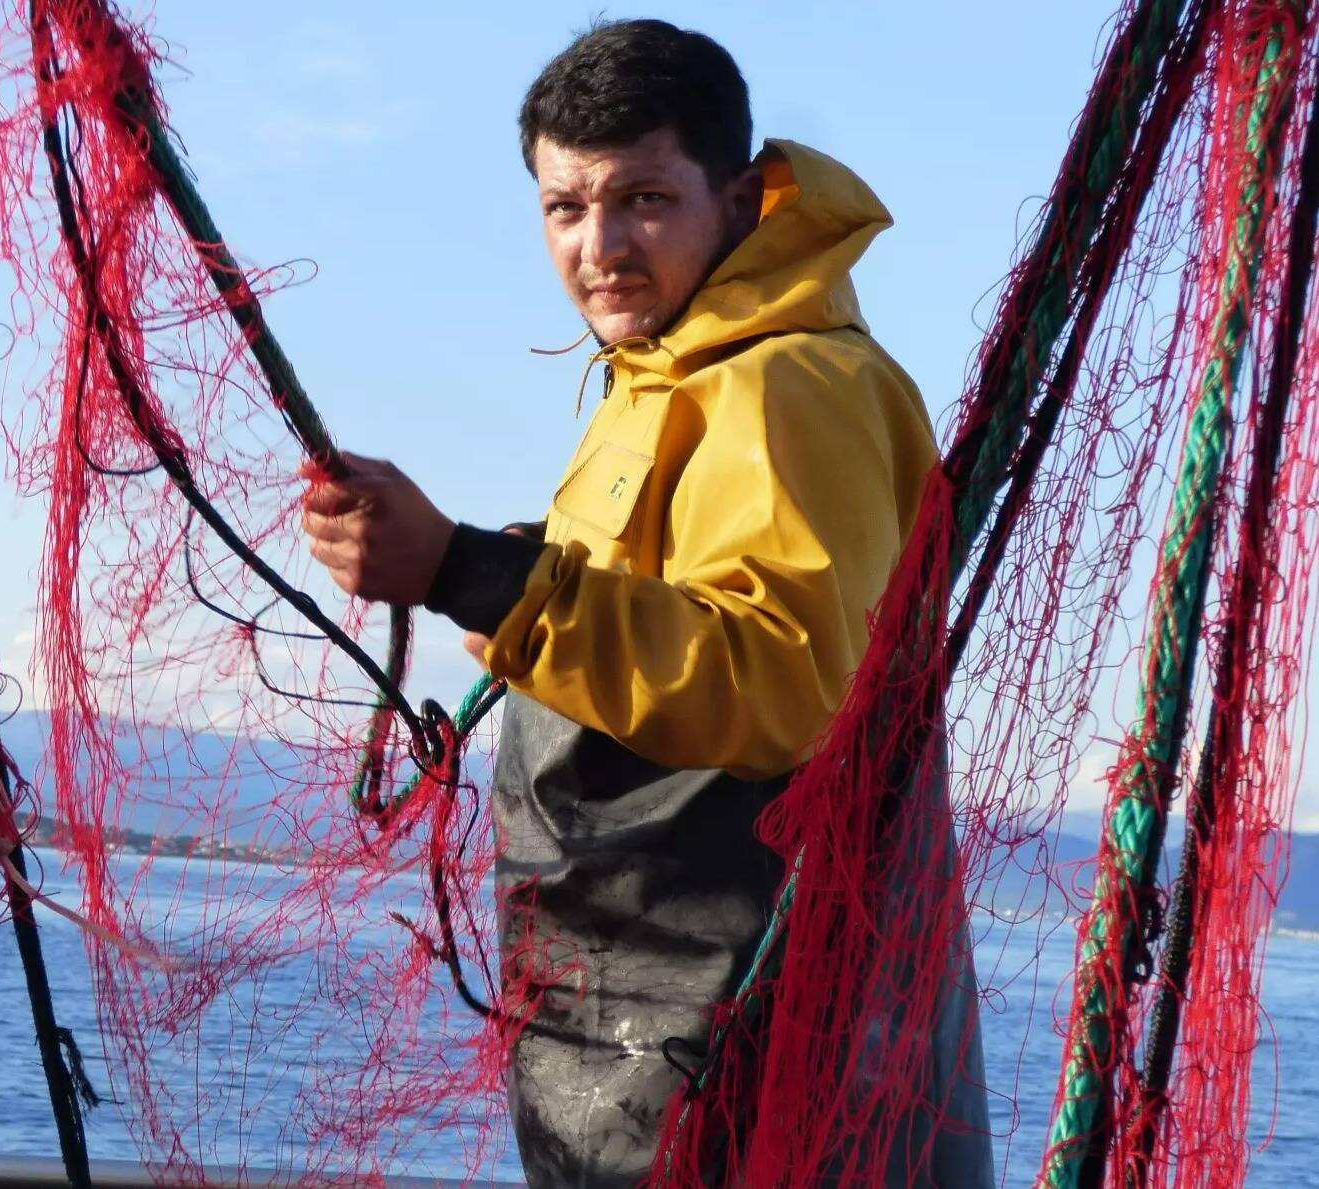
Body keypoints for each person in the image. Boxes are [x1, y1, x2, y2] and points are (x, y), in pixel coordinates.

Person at [302, 20, 991, 1188]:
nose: (601, 246)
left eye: (645, 199)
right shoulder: (669, 370)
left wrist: (466, 570)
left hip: (756, 1046)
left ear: (735, 196)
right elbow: (673, 598)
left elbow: (778, 679)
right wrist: (521, 566)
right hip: (641, 1036)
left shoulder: (787, 382)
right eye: (565, 207)